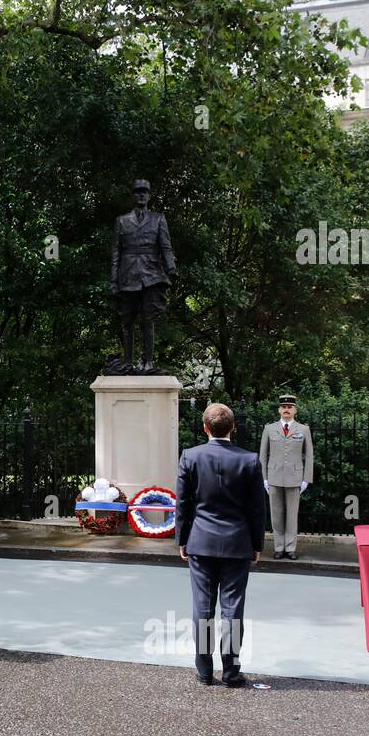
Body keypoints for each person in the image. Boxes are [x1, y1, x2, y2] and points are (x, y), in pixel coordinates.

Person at [175, 402, 267, 687]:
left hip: (201, 541)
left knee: (203, 608)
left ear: (205, 428)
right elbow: (256, 509)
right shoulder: (249, 460)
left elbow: (184, 503)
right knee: (232, 609)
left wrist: (182, 539)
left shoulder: (190, 456)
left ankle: (204, 670)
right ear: (233, 428)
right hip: (238, 542)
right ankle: (231, 671)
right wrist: (256, 543)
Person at [110, 178, 177, 373]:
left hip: (151, 274)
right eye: (137, 191)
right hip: (128, 273)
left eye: (144, 191)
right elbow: (116, 252)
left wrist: (171, 267)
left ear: (149, 195)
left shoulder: (158, 219)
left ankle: (148, 361)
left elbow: (165, 246)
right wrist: (113, 280)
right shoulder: (121, 221)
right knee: (127, 320)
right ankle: (128, 361)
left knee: (149, 319)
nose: (141, 194)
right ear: (133, 195)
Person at [259, 394, 314, 559]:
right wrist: (264, 478)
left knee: (292, 515)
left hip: (295, 478)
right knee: (276, 515)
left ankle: (290, 548)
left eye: (290, 407)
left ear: (295, 410)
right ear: (279, 409)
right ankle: (278, 547)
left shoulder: (303, 429)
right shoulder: (269, 429)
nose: (286, 410)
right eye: (283, 407)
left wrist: (306, 479)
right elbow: (262, 455)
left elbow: (309, 455)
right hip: (274, 476)